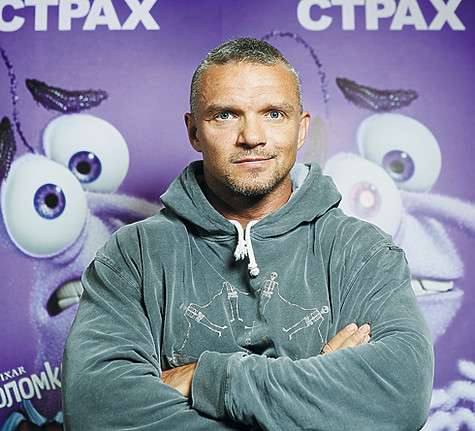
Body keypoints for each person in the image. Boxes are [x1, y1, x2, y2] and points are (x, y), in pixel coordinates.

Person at [62, 38, 434, 430]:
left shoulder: (363, 253)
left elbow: (400, 395)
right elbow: (96, 412)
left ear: (301, 128)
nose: (252, 136)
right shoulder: (133, 255)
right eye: (225, 115)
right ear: (193, 131)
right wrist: (317, 399)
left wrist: (208, 379)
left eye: (274, 114)